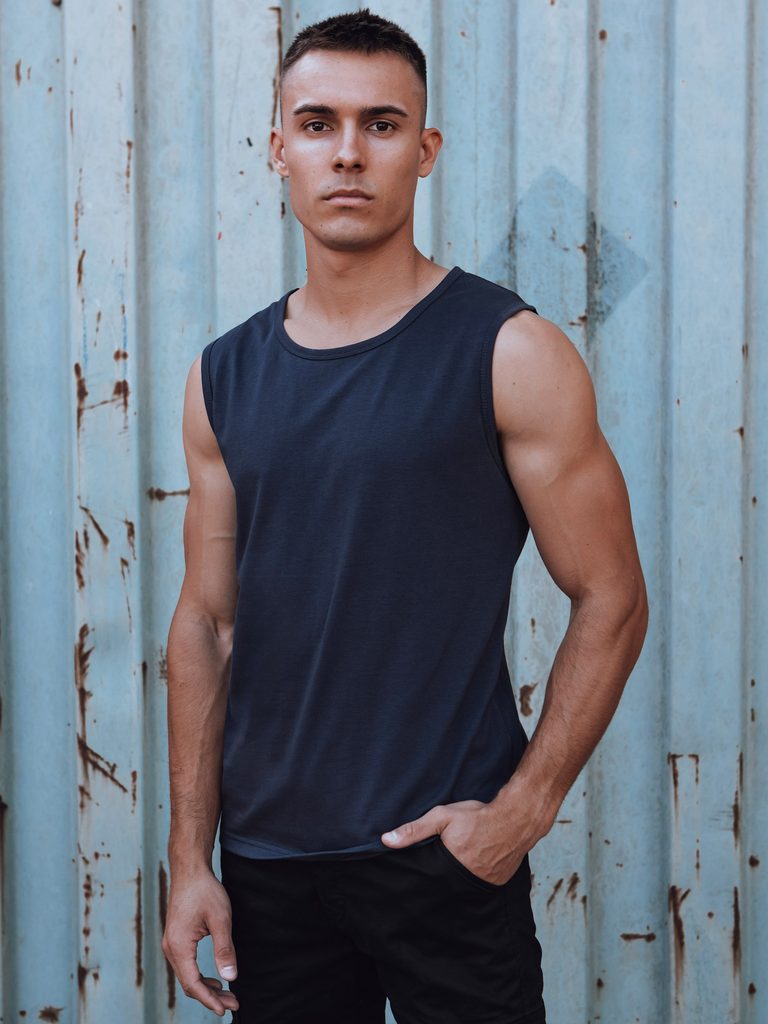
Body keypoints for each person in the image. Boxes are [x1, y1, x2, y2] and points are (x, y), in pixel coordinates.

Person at [161, 8, 649, 1023]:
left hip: (444, 861)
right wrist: (190, 861)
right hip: (271, 870)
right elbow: (207, 622)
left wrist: (519, 814)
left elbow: (611, 595)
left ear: (424, 151)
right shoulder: (223, 377)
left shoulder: (509, 351)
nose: (347, 153)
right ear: (278, 149)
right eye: (318, 124)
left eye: (380, 125)